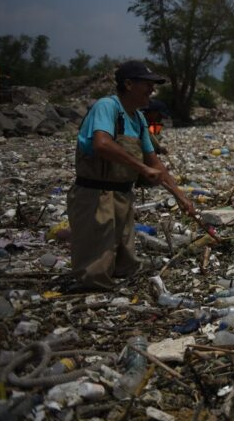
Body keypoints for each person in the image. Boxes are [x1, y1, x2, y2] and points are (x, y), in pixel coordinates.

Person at [67, 60, 197, 290]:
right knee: (95, 271)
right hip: (95, 196)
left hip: (123, 197)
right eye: (147, 84)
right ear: (128, 84)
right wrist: (142, 168)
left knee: (124, 264)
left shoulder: (138, 119)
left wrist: (180, 196)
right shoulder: (108, 107)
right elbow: (102, 144)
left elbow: (154, 162)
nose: (152, 90)